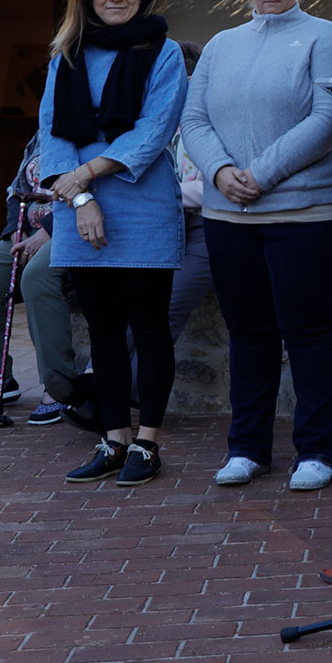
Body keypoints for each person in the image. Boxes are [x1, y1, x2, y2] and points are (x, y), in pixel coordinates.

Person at [181, 0, 332, 492]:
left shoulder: (324, 36)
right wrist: (221, 172)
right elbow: (194, 118)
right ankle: (248, 448)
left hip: (307, 215)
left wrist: (264, 172)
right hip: (229, 215)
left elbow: (330, 115)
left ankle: (319, 451)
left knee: (310, 333)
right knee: (248, 334)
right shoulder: (221, 45)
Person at [38, 0, 187, 486]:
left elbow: (153, 132)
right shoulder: (66, 56)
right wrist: (79, 198)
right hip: (81, 209)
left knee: (148, 329)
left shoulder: (163, 53)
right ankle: (112, 439)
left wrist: (85, 177)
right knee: (100, 330)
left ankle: (147, 443)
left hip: (142, 201)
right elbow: (51, 135)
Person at [61, 41, 214, 433]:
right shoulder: (74, 67)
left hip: (198, 228)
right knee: (108, 325)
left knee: (158, 315)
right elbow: (54, 137)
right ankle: (102, 402)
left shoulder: (200, 124)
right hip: (142, 212)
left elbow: (209, 185)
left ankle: (106, 397)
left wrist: (172, 195)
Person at [0, 130, 81, 425]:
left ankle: (59, 386)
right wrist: (15, 230)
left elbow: (95, 193)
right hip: (30, 229)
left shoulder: (92, 131)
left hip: (71, 231)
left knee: (36, 277)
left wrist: (47, 232)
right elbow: (17, 190)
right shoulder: (41, 134)